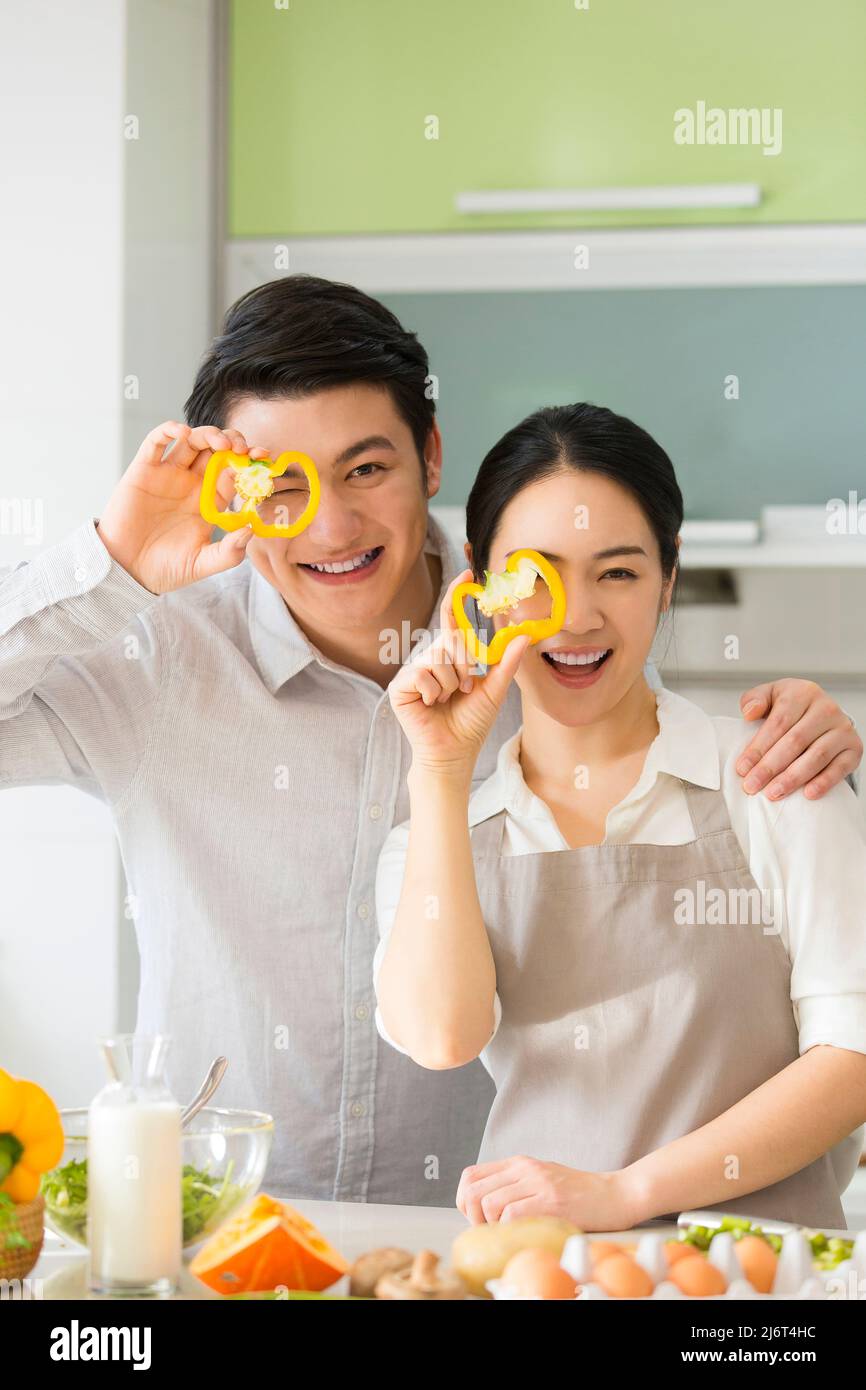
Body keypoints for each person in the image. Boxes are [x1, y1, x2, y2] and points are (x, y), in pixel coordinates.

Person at [1, 278, 861, 1206]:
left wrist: (814, 742)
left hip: (478, 1243)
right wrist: (112, 563)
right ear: (235, 496)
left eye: (367, 469)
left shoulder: (552, 654)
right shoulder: (152, 658)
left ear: (432, 456)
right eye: (282, 483)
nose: (331, 526)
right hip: (220, 1219)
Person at [376, 402, 866, 1228]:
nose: (575, 618)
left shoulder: (774, 776)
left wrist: (626, 1192)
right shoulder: (439, 834)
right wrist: (439, 772)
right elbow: (441, 1037)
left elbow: (853, 1057)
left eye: (619, 572)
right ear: (478, 584)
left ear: (669, 575)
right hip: (541, 1275)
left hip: (752, 1292)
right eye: (537, 576)